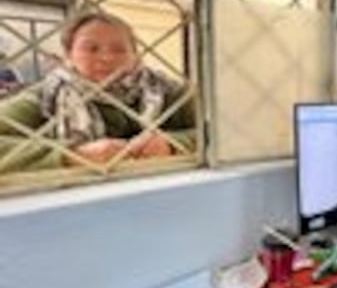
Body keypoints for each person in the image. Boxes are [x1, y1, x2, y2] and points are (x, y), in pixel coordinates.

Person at [0, 9, 195, 172]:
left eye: (119, 49)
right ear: (68, 56)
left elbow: (212, 129)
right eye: (91, 49)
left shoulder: (169, 91)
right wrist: (71, 155)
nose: (106, 58)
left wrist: (172, 144)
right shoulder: (45, 97)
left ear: (135, 55)